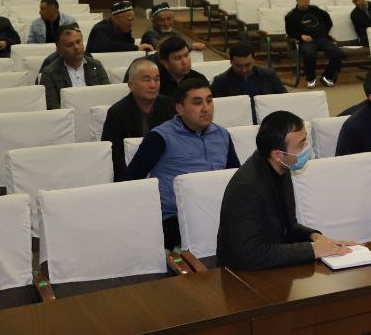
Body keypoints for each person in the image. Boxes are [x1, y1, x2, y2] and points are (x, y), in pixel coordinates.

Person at [215, 110, 355, 270]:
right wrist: (313, 250)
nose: (307, 148)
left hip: (272, 266)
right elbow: (249, 255)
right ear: (278, 155)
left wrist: (316, 237)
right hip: (239, 276)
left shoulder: (282, 168)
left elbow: (288, 227)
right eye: (301, 144)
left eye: (306, 140)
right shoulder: (246, 188)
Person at [124, 73, 240, 248]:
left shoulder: (222, 134)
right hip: (176, 218)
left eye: (209, 101)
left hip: (218, 211)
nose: (206, 108)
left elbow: (236, 177)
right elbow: (130, 181)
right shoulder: (159, 137)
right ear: (180, 108)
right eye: (197, 102)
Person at [103, 57, 175, 179]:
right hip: (132, 174)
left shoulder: (169, 105)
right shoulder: (117, 113)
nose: (153, 85)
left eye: (157, 79)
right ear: (131, 85)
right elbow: (114, 156)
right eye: (147, 80)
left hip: (167, 169)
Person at [37, 25, 111, 109]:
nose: (76, 47)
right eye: (69, 45)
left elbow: (107, 95)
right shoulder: (50, 73)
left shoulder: (96, 65)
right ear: (59, 50)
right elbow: (53, 107)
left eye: (78, 42)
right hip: (67, 115)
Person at [284, 0, 343, 88]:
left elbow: (328, 20)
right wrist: (301, 36)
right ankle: (311, 78)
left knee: (338, 53)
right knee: (309, 53)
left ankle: (327, 77)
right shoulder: (291, 16)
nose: (306, 1)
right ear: (297, 0)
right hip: (307, 41)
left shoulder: (315, 9)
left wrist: (324, 33)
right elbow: (290, 32)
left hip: (321, 38)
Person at [211, 41, 286, 103]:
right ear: (231, 62)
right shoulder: (220, 82)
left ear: (254, 60)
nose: (243, 70)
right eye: (238, 66)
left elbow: (284, 99)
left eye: (247, 65)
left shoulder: (269, 75)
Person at [87, 0, 153, 55]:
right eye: (129, 20)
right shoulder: (100, 29)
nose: (131, 24)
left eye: (133, 20)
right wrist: (136, 48)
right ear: (116, 19)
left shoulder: (125, 29)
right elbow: (106, 46)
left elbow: (128, 47)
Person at [141, 2, 207, 53]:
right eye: (161, 20)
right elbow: (163, 48)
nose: (166, 23)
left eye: (169, 19)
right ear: (153, 21)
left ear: (173, 19)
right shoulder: (149, 33)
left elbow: (181, 42)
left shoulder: (173, 30)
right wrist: (192, 45)